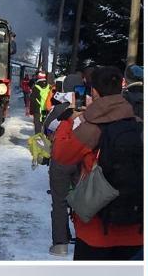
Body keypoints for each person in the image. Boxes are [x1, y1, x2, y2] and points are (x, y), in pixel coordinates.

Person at [49, 65, 143, 261]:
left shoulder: (90, 128)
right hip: (137, 229)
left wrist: (69, 121)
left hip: (96, 231)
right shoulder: (137, 123)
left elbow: (61, 157)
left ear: (94, 91)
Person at [41, 86, 78, 256]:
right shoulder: (92, 111)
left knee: (59, 202)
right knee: (84, 199)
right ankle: (84, 237)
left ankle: (60, 244)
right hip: (82, 159)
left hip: (61, 160)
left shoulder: (57, 111)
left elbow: (45, 130)